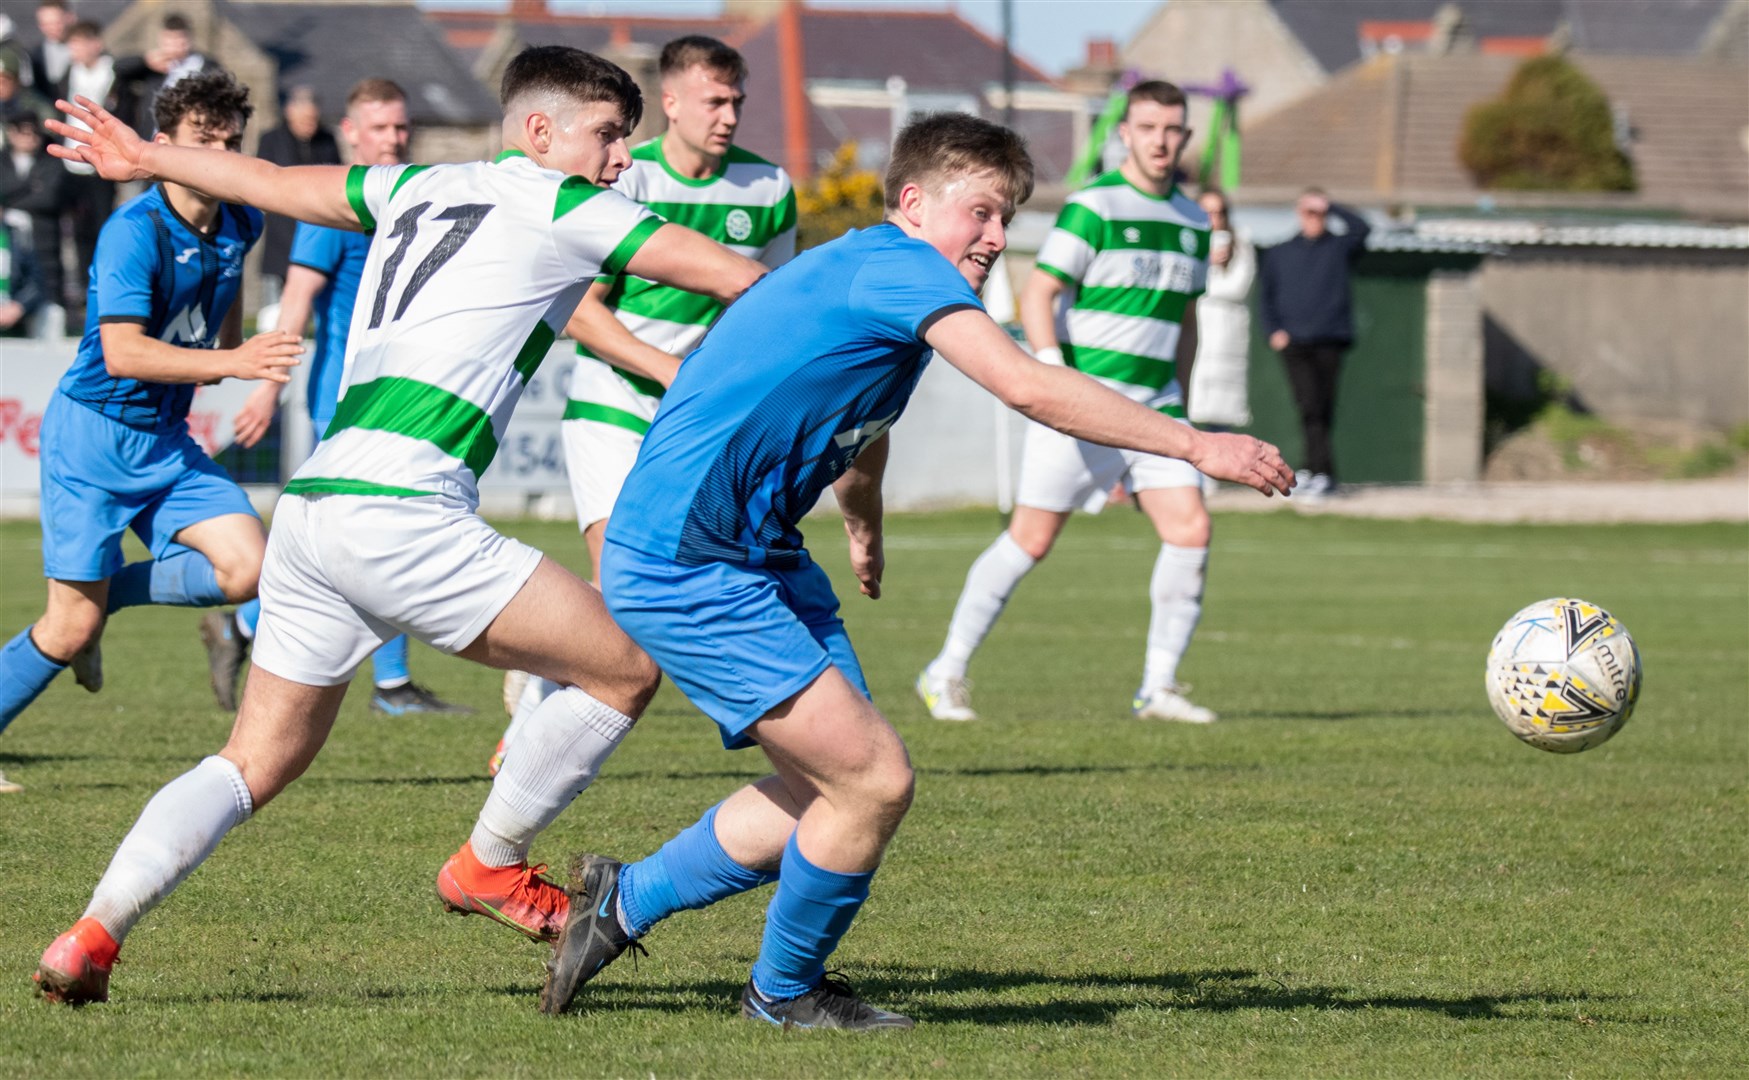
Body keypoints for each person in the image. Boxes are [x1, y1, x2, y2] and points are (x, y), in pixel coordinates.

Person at [34, 44, 765, 1003]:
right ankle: (490, 865)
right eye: (606, 135)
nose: (621, 158)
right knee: (625, 664)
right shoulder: (565, 202)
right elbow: (742, 280)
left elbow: (268, 180)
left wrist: (151, 158)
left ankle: (91, 932)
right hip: (404, 512)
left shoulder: (420, 184)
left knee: (251, 762)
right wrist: (884, 305)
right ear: (540, 132)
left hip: (314, 505)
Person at [531, 112, 1292, 1029]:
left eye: (1006, 217)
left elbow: (856, 426)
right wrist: (1193, 441)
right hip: (689, 558)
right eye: (980, 212)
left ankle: (624, 899)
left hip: (757, 549)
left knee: (831, 787)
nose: (996, 237)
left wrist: (863, 525)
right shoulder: (898, 268)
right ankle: (782, 997)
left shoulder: (880, 277)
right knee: (873, 780)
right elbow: (1027, 386)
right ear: (913, 201)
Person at [494, 33, 796, 772]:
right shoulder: (624, 176)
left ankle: (540, 676)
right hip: (611, 400)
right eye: (713, 100)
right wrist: (666, 368)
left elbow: (772, 309)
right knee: (624, 582)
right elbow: (581, 311)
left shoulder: (768, 188)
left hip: (698, 420)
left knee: (653, 583)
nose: (728, 115)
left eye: (737, 101)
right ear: (669, 102)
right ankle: (537, 717)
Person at [0, 70, 292, 797]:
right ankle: (85, 623)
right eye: (203, 142)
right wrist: (233, 359)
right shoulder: (133, 229)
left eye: (229, 143)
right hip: (93, 439)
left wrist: (226, 350)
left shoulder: (241, 219)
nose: (219, 156)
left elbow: (224, 295)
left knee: (248, 570)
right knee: (66, 628)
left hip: (166, 440)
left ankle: (111, 601)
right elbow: (125, 352)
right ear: (162, 146)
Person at [916, 81, 1226, 727]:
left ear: (1185, 137)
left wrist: (1185, 404)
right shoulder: (1095, 205)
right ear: (1124, 133)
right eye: (1147, 128)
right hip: (1084, 403)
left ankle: (1158, 687)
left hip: (1157, 405)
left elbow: (1186, 320)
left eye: (1172, 129)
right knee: (1029, 540)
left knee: (1190, 529)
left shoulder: (1195, 220)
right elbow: (1039, 292)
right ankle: (943, 671)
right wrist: (1053, 378)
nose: (1160, 141)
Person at [209, 77, 469, 717]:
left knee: (371, 535)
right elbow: (295, 303)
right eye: (379, 128)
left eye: (401, 127)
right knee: (380, 530)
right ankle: (388, 683)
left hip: (404, 398)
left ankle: (244, 625)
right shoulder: (332, 207)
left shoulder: (418, 200)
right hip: (341, 400)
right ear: (350, 134)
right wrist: (269, 391)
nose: (394, 139)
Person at [1257, 187, 1370, 500]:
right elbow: (1266, 297)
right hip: (1295, 343)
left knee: (1322, 407)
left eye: (1319, 213)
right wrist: (1273, 331)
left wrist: (1332, 205)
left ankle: (1317, 470)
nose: (1314, 218)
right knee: (1309, 406)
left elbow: (1364, 229)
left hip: (1330, 340)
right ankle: (1318, 471)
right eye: (1309, 211)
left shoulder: (1338, 247)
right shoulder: (1281, 252)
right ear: (1298, 213)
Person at [253, 85, 340, 306]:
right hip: (281, 232)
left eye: (313, 119)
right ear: (290, 113)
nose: (309, 125)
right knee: (275, 306)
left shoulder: (327, 140)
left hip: (318, 227)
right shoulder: (271, 140)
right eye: (304, 119)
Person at [54, 19, 116, 315]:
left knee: (104, 229)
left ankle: (103, 291)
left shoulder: (115, 73)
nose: (73, 50)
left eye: (79, 43)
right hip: (70, 164)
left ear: (96, 43)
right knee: (75, 233)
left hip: (101, 167)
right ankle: (79, 295)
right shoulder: (69, 73)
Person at [1185, 188, 1256, 435]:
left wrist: (1209, 271)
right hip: (1194, 333)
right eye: (1208, 212)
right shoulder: (1187, 242)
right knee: (1190, 402)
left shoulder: (1241, 245)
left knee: (1221, 411)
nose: (1214, 218)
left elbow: (1236, 287)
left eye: (1220, 212)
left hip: (1227, 339)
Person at [0, 112, 65, 316]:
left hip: (43, 243)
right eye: (22, 132)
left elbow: (49, 199)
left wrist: (9, 199)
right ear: (10, 133)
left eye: (34, 132)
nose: (28, 137)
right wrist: (30, 186)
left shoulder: (51, 161)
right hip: (8, 244)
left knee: (46, 304)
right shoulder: (2, 161)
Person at [113, 12, 212, 141]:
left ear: (188, 40)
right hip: (152, 138)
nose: (174, 45)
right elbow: (119, 68)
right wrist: (145, 62)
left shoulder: (206, 67)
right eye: (169, 40)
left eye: (179, 39)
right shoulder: (154, 67)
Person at [28, 1, 74, 96]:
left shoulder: (86, 50)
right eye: (46, 24)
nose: (52, 28)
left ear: (69, 18)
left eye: (57, 23)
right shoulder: (36, 56)